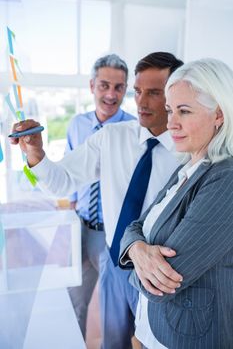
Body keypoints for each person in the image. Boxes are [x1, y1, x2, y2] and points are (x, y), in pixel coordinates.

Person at [10, 52, 183, 349]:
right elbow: (62, 181)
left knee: (160, 343)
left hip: (162, 271)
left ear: (175, 95)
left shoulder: (189, 150)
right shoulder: (111, 137)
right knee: (112, 342)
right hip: (115, 262)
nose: (141, 102)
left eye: (154, 93)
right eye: (138, 92)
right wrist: (35, 153)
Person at [119, 58, 233, 349]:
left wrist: (133, 255)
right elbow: (135, 226)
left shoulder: (226, 179)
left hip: (186, 338)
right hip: (152, 330)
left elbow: (164, 284)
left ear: (219, 114)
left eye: (184, 111)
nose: (171, 123)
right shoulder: (188, 166)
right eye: (170, 110)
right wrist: (137, 248)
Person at [66, 54, 135, 339]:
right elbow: (70, 174)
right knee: (75, 304)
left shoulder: (134, 129)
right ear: (92, 85)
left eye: (119, 87)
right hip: (78, 227)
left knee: (113, 313)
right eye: (104, 85)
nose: (111, 94)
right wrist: (69, 216)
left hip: (112, 235)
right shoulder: (77, 125)